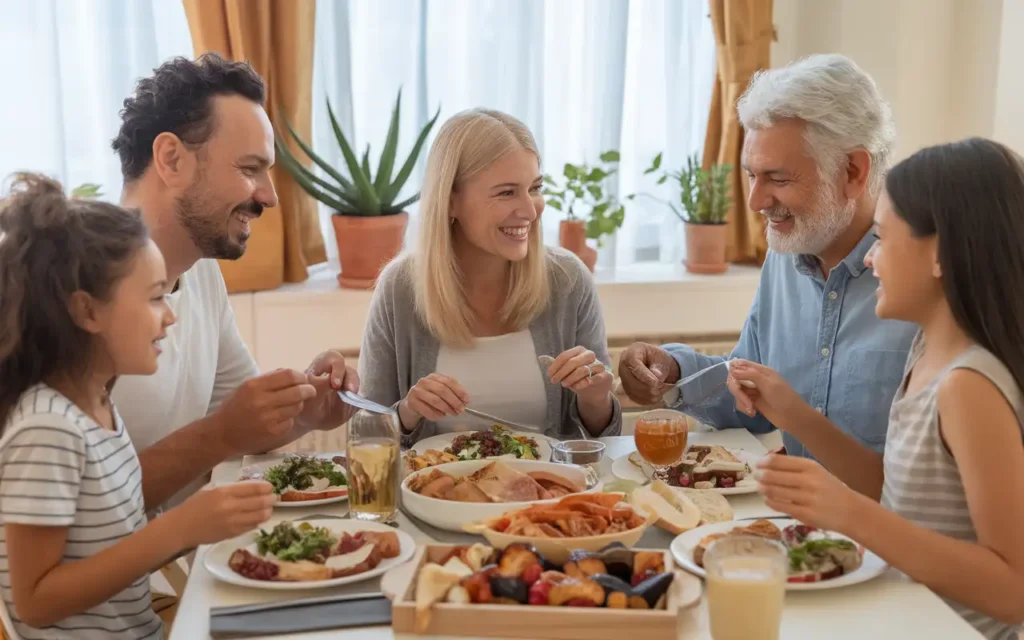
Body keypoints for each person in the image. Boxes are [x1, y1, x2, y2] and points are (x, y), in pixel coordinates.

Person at [728, 138, 1024, 639]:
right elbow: (898, 490)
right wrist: (794, 415)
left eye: (883, 240)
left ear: (940, 254)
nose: (869, 260)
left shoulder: (968, 386)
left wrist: (851, 514)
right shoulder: (926, 353)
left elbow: (1013, 590)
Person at [0, 174, 275, 640]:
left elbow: (110, 550)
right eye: (154, 297)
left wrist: (200, 527)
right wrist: (177, 531)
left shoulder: (99, 409)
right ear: (87, 312)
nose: (170, 315)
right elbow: (34, 602)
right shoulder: (47, 430)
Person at [618, 54, 916, 457]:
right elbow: (754, 394)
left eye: (778, 178)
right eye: (751, 175)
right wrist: (673, 373)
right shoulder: (789, 250)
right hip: (788, 517)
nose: (756, 201)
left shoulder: (926, 275)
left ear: (853, 172)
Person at [108, 53, 358, 509]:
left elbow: (237, 423)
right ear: (171, 159)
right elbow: (76, 504)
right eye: (249, 169)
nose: (269, 196)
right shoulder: (70, 292)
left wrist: (307, 408)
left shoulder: (201, 271)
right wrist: (220, 435)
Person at [359, 109, 621, 443]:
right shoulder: (400, 288)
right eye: (507, 192)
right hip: (433, 494)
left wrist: (596, 398)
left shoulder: (569, 280)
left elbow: (602, 440)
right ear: (451, 201)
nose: (530, 210)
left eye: (535, 188)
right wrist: (408, 412)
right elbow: (367, 437)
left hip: (551, 492)